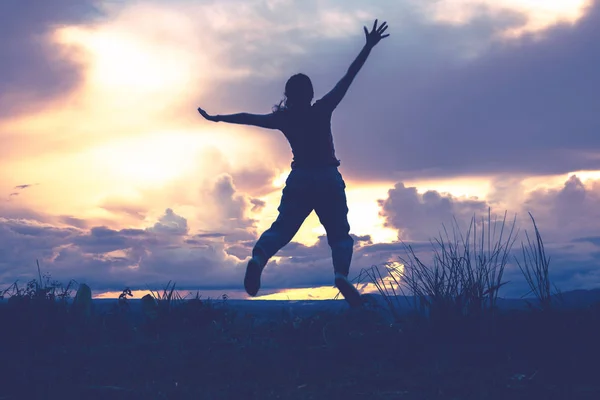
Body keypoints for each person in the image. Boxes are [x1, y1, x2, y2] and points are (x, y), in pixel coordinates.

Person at [198, 20, 389, 307]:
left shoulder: (284, 118)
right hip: (327, 177)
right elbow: (349, 77)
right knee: (339, 233)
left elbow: (249, 117)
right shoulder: (322, 109)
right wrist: (367, 47)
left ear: (288, 95)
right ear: (310, 94)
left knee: (282, 228)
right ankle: (340, 275)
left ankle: (259, 257)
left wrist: (218, 117)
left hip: (300, 179)